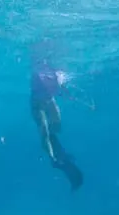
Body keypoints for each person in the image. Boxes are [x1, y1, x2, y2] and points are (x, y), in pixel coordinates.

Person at [29, 53, 85, 191]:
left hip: (49, 100)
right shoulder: (38, 73)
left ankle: (56, 148)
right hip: (37, 103)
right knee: (44, 129)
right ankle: (53, 158)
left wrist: (68, 94)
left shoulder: (56, 73)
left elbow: (60, 86)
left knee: (57, 126)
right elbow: (44, 82)